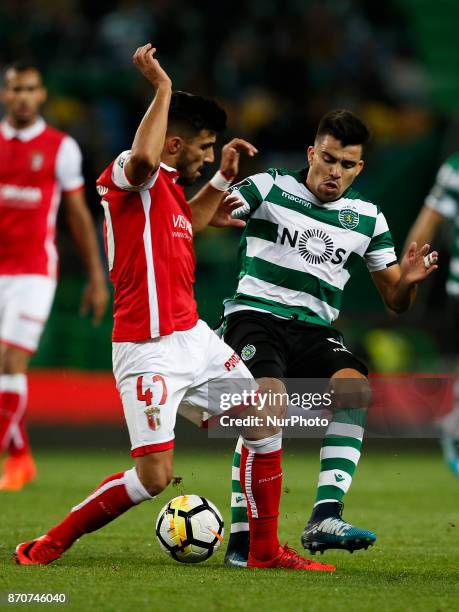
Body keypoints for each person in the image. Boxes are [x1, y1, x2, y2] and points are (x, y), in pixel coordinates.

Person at [14, 44, 335, 571]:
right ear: (177, 142)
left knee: (264, 420)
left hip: (194, 337)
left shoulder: (168, 195)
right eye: (205, 148)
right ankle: (52, 543)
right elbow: (143, 158)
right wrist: (162, 88)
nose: (208, 156)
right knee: (154, 477)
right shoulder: (129, 176)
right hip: (147, 349)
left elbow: (189, 220)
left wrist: (223, 179)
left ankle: (263, 551)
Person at [221, 109, 439, 566]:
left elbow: (395, 301)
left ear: (359, 168)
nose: (334, 171)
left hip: (315, 329)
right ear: (311, 154)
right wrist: (221, 190)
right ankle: (244, 536)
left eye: (346, 164)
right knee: (267, 401)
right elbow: (208, 215)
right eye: (328, 159)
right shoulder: (269, 186)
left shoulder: (367, 218)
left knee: (355, 388)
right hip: (254, 316)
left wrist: (410, 282)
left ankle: (325, 515)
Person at [0, 61, 109, 491]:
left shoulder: (60, 146)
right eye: (15, 89)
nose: (22, 96)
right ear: (6, 94)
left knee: (11, 360)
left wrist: (97, 276)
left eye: (30, 89)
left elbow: (79, 214)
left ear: (41, 94)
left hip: (33, 272)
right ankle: (22, 455)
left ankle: (17, 460)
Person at [404, 151, 459, 476]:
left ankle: (453, 425)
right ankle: (454, 429)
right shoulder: (455, 168)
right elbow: (428, 222)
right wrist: (400, 280)